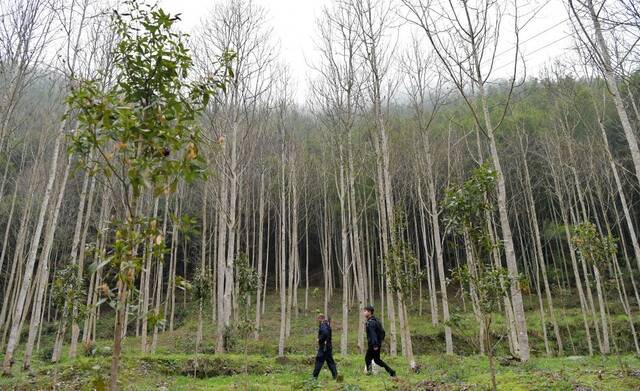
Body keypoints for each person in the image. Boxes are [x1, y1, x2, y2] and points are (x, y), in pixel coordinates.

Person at [363, 305, 396, 377]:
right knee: (377, 360)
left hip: (373, 344)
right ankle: (391, 372)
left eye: (365, 311)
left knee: (367, 358)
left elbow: (373, 334)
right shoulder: (376, 320)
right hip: (377, 343)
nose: (364, 313)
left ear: (370, 312)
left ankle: (369, 373)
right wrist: (379, 342)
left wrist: (375, 345)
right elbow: (383, 332)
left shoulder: (371, 323)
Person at [312, 314, 338, 380]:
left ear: (320, 319)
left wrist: (319, 339)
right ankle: (335, 376)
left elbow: (325, 333)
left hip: (324, 347)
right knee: (330, 362)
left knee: (319, 361)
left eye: (318, 319)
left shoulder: (323, 325)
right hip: (328, 347)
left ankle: (314, 377)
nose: (318, 320)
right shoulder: (327, 325)